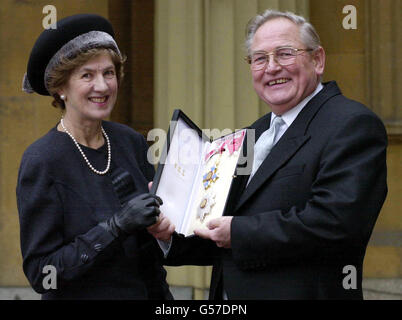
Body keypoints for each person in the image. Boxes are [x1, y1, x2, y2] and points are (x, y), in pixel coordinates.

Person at [161, 9, 388, 299]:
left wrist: (238, 233)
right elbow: (224, 233)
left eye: (285, 53)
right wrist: (171, 229)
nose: (271, 67)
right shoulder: (253, 134)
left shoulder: (351, 124)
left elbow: (337, 224)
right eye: (259, 58)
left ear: (317, 60)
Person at [17, 14, 173, 300]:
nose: (102, 86)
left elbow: (149, 259)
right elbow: (43, 274)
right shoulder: (42, 160)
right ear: (61, 88)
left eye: (109, 73)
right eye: (87, 75)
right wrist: (114, 228)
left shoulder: (130, 142)